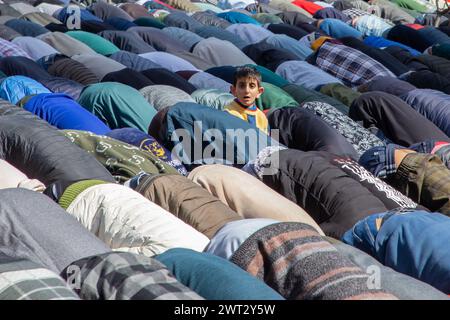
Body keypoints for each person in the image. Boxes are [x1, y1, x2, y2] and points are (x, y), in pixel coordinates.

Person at [224, 66, 269, 134]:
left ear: (259, 92)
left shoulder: (262, 118)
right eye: (242, 86)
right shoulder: (228, 113)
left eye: (252, 86)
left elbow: (269, 141)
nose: (247, 91)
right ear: (234, 90)